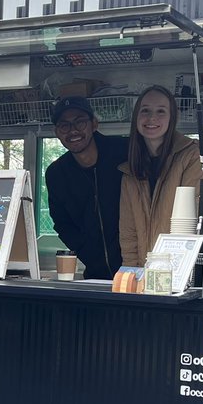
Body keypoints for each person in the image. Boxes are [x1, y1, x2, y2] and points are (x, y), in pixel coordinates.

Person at [118, 85, 203, 266]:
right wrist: (131, 275)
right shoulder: (129, 171)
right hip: (143, 275)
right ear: (136, 118)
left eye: (161, 111)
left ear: (172, 118)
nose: (152, 118)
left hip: (180, 271)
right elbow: (128, 235)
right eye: (145, 110)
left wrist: (171, 274)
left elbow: (189, 223)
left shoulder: (192, 156)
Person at [43, 96, 125, 279]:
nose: (73, 131)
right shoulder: (57, 173)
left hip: (137, 270)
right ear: (56, 132)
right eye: (64, 125)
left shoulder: (123, 151)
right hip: (95, 274)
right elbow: (62, 223)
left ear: (94, 124)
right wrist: (86, 252)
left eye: (79, 122)